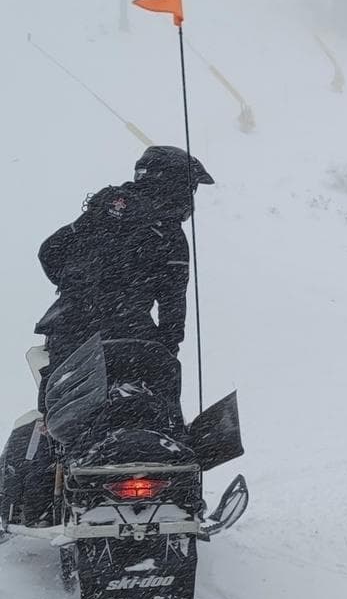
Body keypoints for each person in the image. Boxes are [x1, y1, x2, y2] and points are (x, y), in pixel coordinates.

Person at [33, 145, 214, 412]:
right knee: (155, 407)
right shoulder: (170, 233)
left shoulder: (101, 209)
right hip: (128, 333)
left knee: (58, 413)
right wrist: (167, 349)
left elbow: (49, 251)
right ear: (172, 183)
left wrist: (78, 290)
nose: (191, 197)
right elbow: (173, 304)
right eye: (190, 188)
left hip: (68, 329)